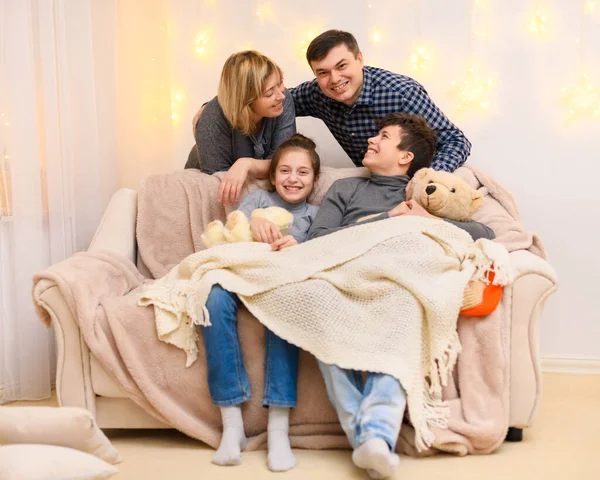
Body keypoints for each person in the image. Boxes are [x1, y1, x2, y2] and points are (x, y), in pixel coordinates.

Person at [306, 112, 493, 479]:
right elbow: (316, 241)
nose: (372, 140)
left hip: (399, 283)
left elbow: (485, 231)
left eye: (384, 136)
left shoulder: (424, 194)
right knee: (318, 306)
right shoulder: (347, 190)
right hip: (346, 276)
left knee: (406, 310)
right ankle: (373, 439)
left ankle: (371, 439)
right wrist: (388, 218)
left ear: (406, 156)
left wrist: (426, 219)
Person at [201, 134, 320, 472]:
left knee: (285, 307)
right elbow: (232, 233)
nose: (292, 179)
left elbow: (321, 252)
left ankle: (278, 429)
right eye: (284, 170)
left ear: (314, 180)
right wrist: (252, 220)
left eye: (302, 173)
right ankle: (232, 425)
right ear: (272, 176)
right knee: (211, 299)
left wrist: (299, 244)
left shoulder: (315, 215)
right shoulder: (255, 201)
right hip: (243, 273)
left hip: (281, 281)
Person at [289, 29, 471, 172]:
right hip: (375, 185)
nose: (335, 79)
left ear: (359, 59)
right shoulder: (317, 93)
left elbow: (456, 141)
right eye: (323, 72)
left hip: (417, 181)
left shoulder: (401, 93)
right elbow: (277, 100)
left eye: (342, 66)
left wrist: (425, 181)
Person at [186, 50, 296, 206]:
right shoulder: (212, 121)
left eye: (280, 83)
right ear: (245, 100)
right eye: (269, 93)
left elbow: (288, 161)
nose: (281, 96)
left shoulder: (284, 101)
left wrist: (247, 164)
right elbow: (218, 186)